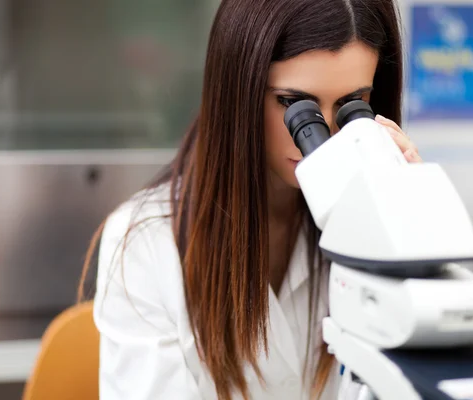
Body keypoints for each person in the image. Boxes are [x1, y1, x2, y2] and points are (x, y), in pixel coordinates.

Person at [78, 0, 422, 398]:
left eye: (351, 105)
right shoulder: (147, 243)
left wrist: (406, 229)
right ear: (238, 91)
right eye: (295, 105)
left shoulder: (362, 225)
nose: (324, 138)